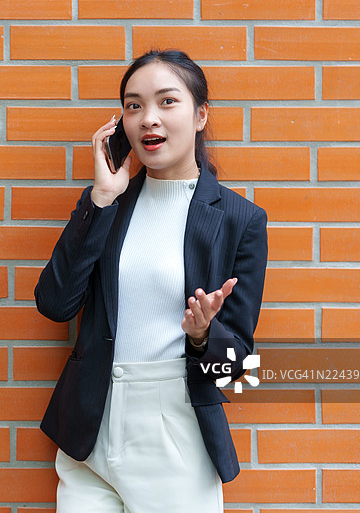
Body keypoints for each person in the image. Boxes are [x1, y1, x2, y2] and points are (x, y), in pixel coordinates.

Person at [34, 49, 268, 512]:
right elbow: (55, 303)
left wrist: (202, 335)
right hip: (90, 429)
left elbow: (236, 364)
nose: (148, 119)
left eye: (167, 102)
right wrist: (100, 198)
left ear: (201, 114)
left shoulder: (240, 220)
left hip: (175, 431)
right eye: (133, 105)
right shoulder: (109, 203)